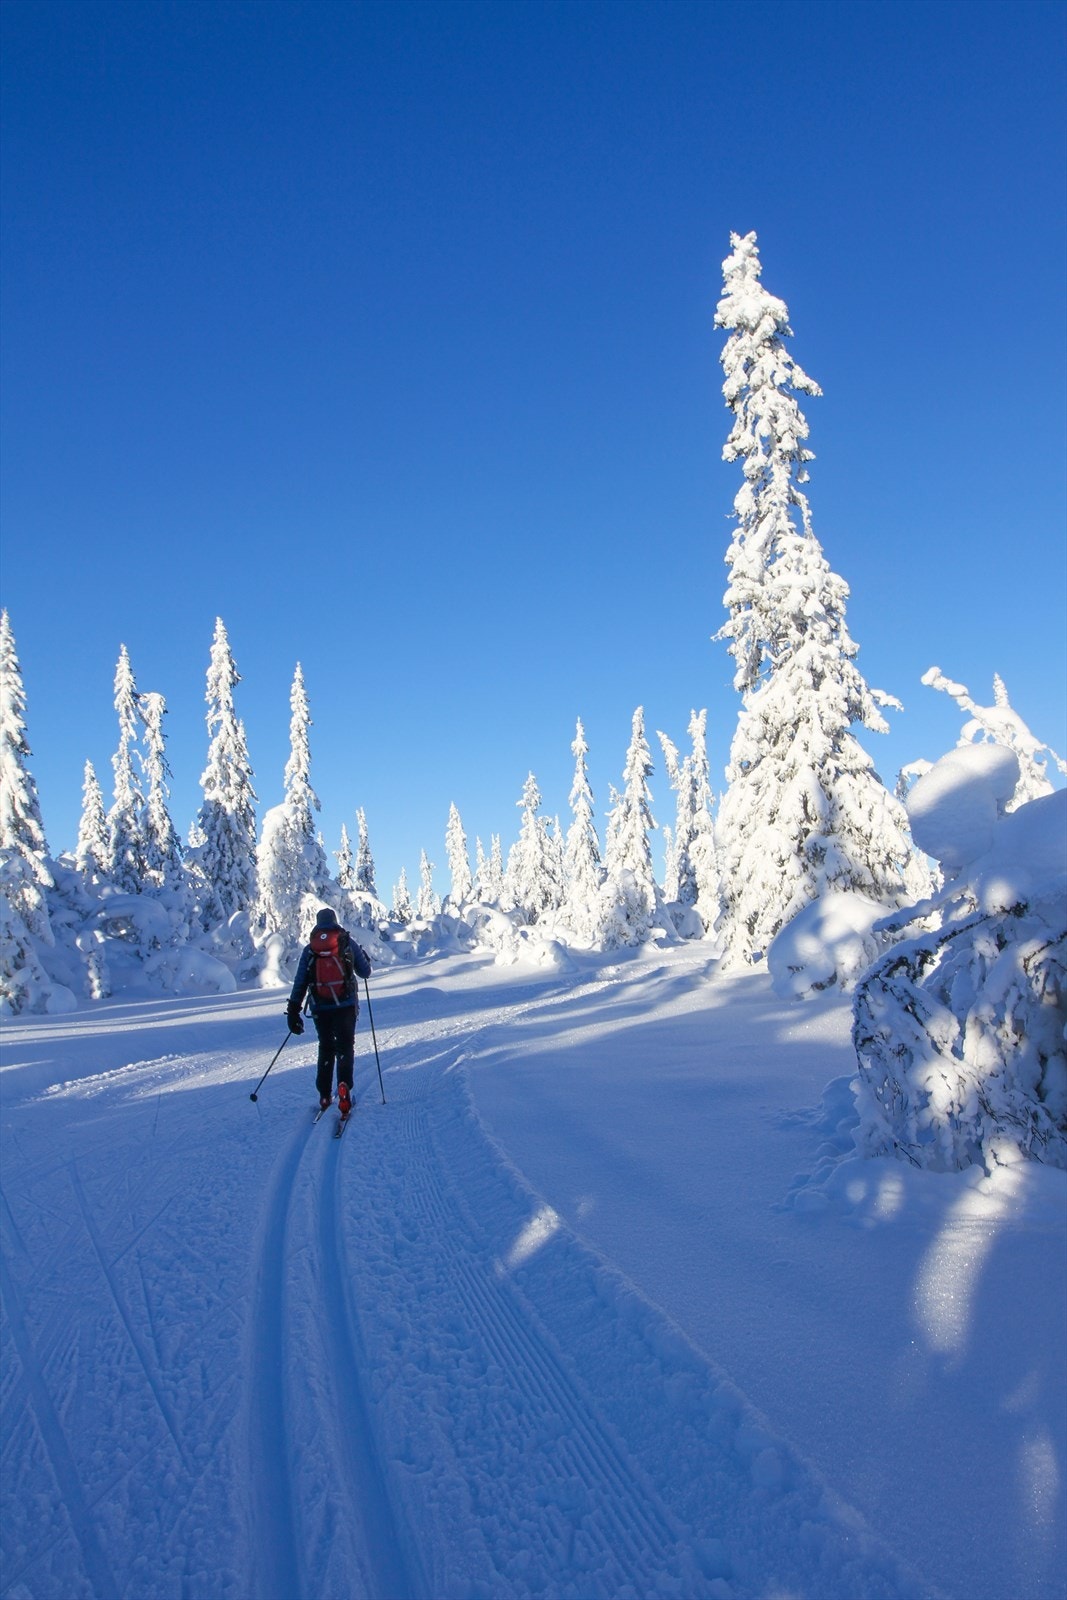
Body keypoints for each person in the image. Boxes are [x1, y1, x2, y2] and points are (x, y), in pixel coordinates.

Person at [287, 907, 372, 1116]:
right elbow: (365, 972)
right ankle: (344, 1087)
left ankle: (325, 1095)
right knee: (345, 1046)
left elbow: (300, 981)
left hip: (320, 1006)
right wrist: (363, 957)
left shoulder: (310, 949)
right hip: (346, 1005)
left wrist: (293, 1010)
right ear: (335, 921)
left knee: (326, 1046)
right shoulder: (346, 942)